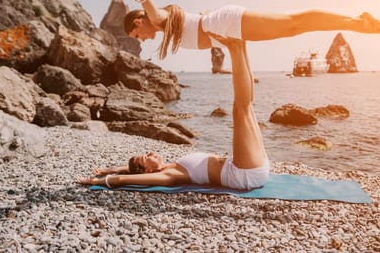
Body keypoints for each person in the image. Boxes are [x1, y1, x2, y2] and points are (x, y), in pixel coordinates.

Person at [77, 35, 269, 190]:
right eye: (146, 157)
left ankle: (241, 46)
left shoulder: (170, 165)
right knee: (240, 108)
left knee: (246, 106)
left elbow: (126, 172)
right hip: (244, 174)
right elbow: (123, 181)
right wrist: (97, 182)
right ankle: (236, 49)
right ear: (149, 171)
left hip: (248, 166)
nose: (150, 152)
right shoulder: (170, 175)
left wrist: (107, 170)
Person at [120, 0, 380, 59]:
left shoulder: (158, 18)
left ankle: (359, 23)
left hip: (225, 24)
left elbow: (154, 13)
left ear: (138, 21)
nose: (140, 39)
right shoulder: (165, 24)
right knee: (292, 26)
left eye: (135, 34)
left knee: (292, 24)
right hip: (226, 30)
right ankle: (359, 23)